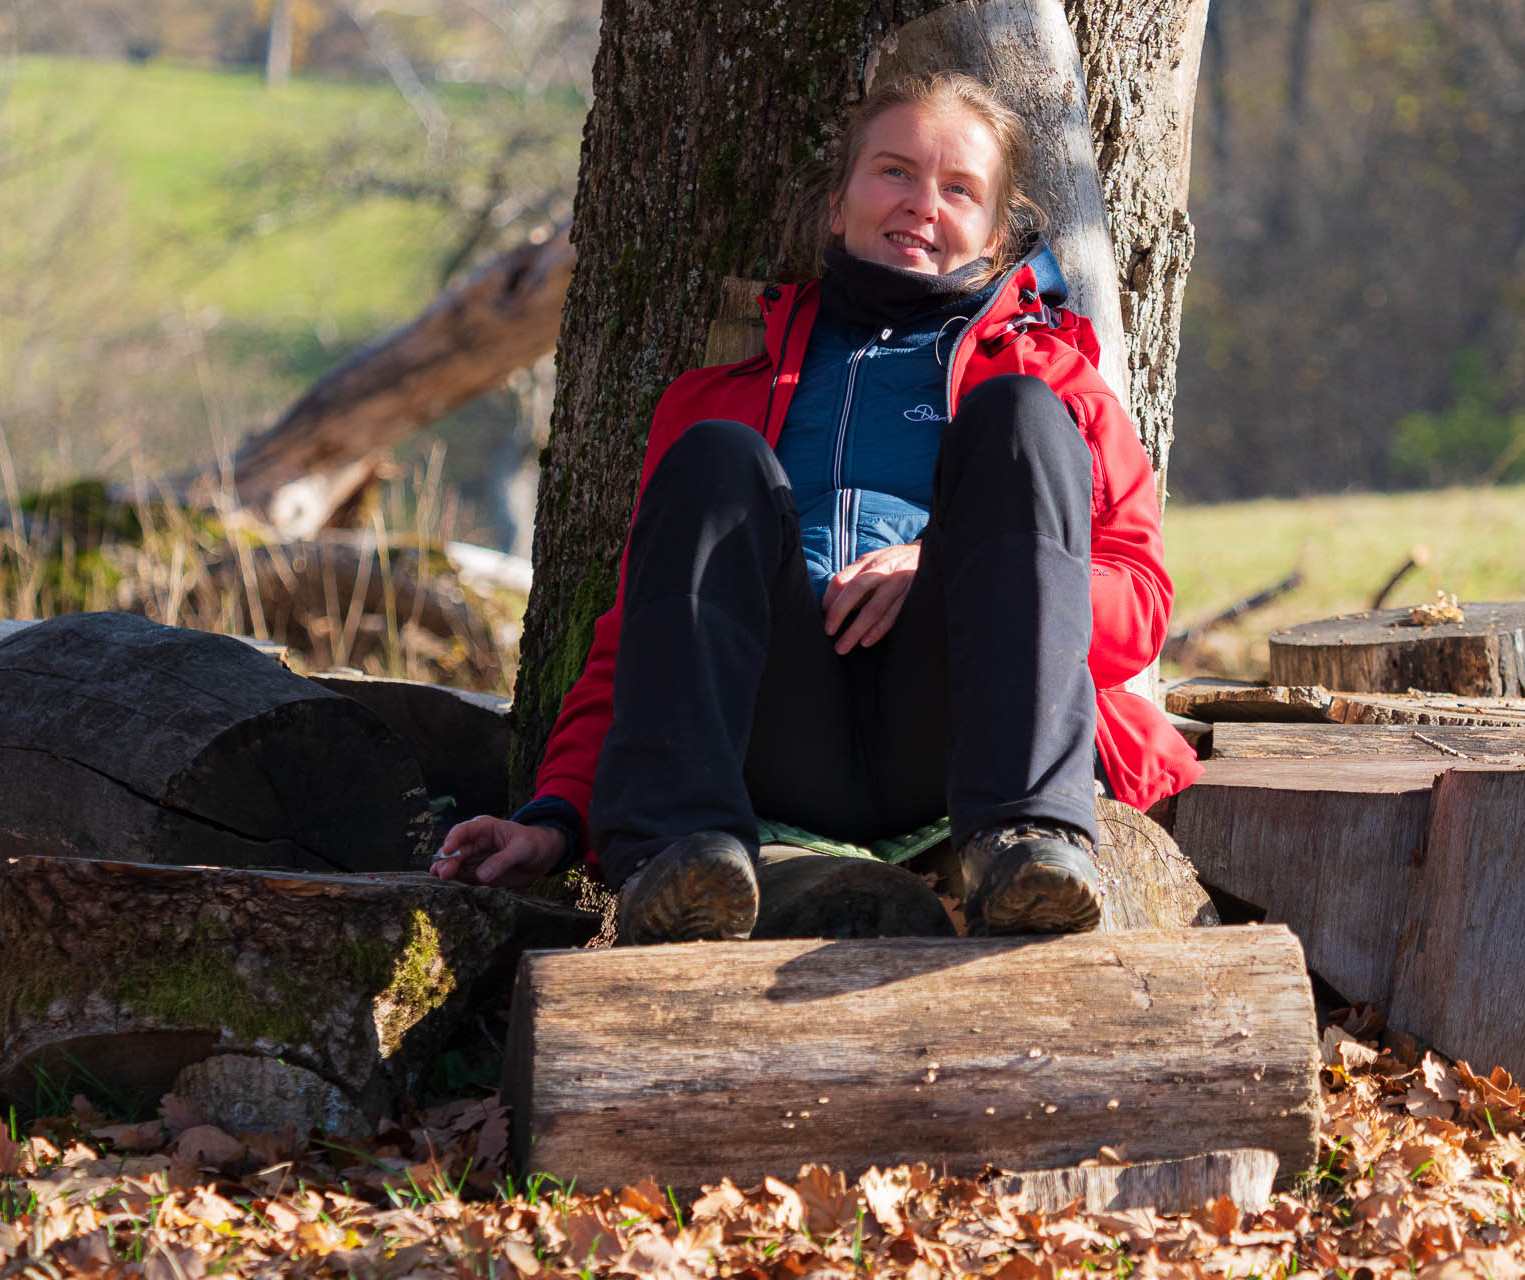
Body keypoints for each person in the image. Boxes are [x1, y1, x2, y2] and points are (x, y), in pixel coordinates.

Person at [430, 72, 1201, 942]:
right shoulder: (715, 395)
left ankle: (1031, 841)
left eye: (959, 189)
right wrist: (557, 817)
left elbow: (1136, 603)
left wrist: (942, 566)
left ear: (993, 234)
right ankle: (674, 854)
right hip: (772, 734)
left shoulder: (1051, 381)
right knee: (717, 456)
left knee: (1019, 421)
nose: (922, 205)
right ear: (837, 204)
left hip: (957, 733)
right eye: (895, 172)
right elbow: (648, 634)